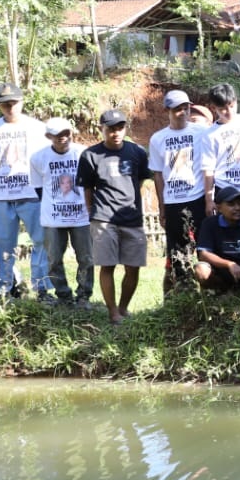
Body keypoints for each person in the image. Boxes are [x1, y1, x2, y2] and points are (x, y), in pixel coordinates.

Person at [77, 109, 150, 324]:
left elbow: (140, 180)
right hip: (104, 218)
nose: (116, 133)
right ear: (102, 129)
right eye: (110, 129)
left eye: (120, 128)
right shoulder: (90, 155)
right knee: (107, 266)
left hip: (132, 218)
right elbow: (88, 188)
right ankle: (113, 313)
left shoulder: (137, 152)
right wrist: (92, 211)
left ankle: (124, 307)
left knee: (133, 267)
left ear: (125, 128)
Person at [0, 81, 52, 300]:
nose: (10, 107)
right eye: (5, 104)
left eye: (14, 102)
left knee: (41, 241)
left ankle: (42, 289)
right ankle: (3, 290)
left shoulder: (37, 128)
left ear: (22, 101)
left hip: (32, 194)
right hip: (0, 196)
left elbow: (47, 161)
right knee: (1, 245)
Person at [148, 89, 207, 292]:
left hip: (197, 196)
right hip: (173, 201)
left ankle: (209, 289)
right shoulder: (158, 139)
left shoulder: (200, 132)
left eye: (186, 107)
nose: (183, 112)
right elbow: (158, 175)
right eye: (177, 109)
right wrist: (162, 208)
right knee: (177, 251)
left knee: (204, 245)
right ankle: (182, 291)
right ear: (168, 110)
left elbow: (209, 166)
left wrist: (209, 198)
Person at [30, 118, 91, 305]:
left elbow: (91, 184)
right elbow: (39, 188)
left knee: (86, 259)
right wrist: (54, 206)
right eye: (58, 135)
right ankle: (63, 296)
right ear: (49, 136)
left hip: (81, 216)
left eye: (66, 133)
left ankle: (83, 296)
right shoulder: (38, 158)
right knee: (54, 259)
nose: (63, 138)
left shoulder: (83, 153)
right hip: (53, 219)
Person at [198, 83, 240, 218]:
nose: (229, 111)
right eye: (223, 108)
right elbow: (208, 169)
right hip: (225, 190)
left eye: (231, 105)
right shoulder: (209, 134)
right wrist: (209, 199)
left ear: (235, 101)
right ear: (213, 108)